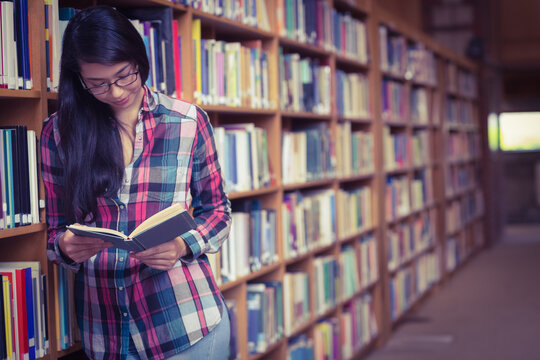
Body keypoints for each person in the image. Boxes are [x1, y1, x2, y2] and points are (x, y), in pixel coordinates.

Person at [40, 6, 232, 360]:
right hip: (105, 331)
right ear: (78, 79)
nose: (115, 92)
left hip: (184, 324)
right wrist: (65, 246)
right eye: (97, 83)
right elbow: (53, 232)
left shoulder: (187, 121)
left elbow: (218, 211)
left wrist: (181, 245)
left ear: (138, 59)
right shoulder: (59, 133)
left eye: (124, 76)